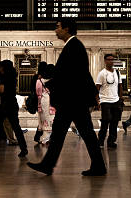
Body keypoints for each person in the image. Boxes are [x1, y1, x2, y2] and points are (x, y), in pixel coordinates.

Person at [27, 19, 107, 176]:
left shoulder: (73, 46)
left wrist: (52, 83)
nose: (56, 30)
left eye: (58, 27)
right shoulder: (74, 46)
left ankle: (50, 165)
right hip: (74, 100)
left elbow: (72, 74)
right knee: (69, 133)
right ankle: (50, 165)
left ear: (66, 28)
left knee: (82, 133)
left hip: (73, 101)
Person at [95, 53, 123, 148]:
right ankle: (100, 141)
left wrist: (120, 99)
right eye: (109, 60)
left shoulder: (117, 73)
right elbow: (97, 88)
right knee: (105, 121)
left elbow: (120, 86)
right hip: (105, 100)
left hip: (116, 100)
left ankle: (111, 142)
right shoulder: (102, 73)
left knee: (114, 122)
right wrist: (97, 101)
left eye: (112, 59)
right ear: (105, 61)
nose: (111, 61)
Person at [38, 63, 56, 146]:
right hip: (53, 101)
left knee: (45, 119)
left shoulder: (40, 80)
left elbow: (38, 92)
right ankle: (51, 138)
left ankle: (45, 138)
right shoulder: (55, 80)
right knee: (52, 119)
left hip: (44, 100)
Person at [33, 61, 47, 144]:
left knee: (41, 119)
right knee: (45, 119)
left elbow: (32, 89)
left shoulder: (36, 77)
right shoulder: (46, 77)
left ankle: (38, 135)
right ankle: (41, 135)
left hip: (38, 101)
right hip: (44, 100)